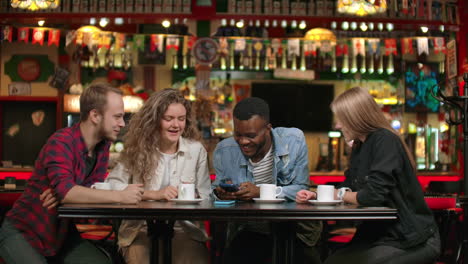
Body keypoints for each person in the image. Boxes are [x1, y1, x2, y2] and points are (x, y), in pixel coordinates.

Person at [0, 83, 144, 264]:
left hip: (62, 237)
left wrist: (69, 193)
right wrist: (118, 196)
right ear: (95, 115)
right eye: (117, 117)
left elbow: (87, 191)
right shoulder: (61, 142)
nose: (122, 124)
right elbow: (68, 192)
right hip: (24, 232)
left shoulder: (102, 147)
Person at [296, 87, 440, 264]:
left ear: (355, 118)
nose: (337, 125)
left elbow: (372, 196)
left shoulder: (385, 140)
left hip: (412, 240)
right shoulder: (359, 146)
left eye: (341, 119)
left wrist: (339, 194)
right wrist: (319, 195)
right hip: (380, 237)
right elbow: (349, 185)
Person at [105, 88, 211, 264]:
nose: (176, 125)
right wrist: (153, 194)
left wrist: (193, 197)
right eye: (168, 119)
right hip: (140, 229)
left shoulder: (196, 150)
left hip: (184, 230)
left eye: (181, 119)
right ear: (154, 120)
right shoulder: (137, 149)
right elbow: (112, 185)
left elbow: (207, 197)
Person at [212, 97, 322, 264]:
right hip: (249, 230)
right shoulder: (224, 150)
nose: (243, 141)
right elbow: (213, 194)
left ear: (268, 129)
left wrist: (261, 192)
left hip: (293, 230)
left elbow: (301, 189)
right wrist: (221, 194)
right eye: (238, 134)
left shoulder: (293, 140)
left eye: (250, 136)